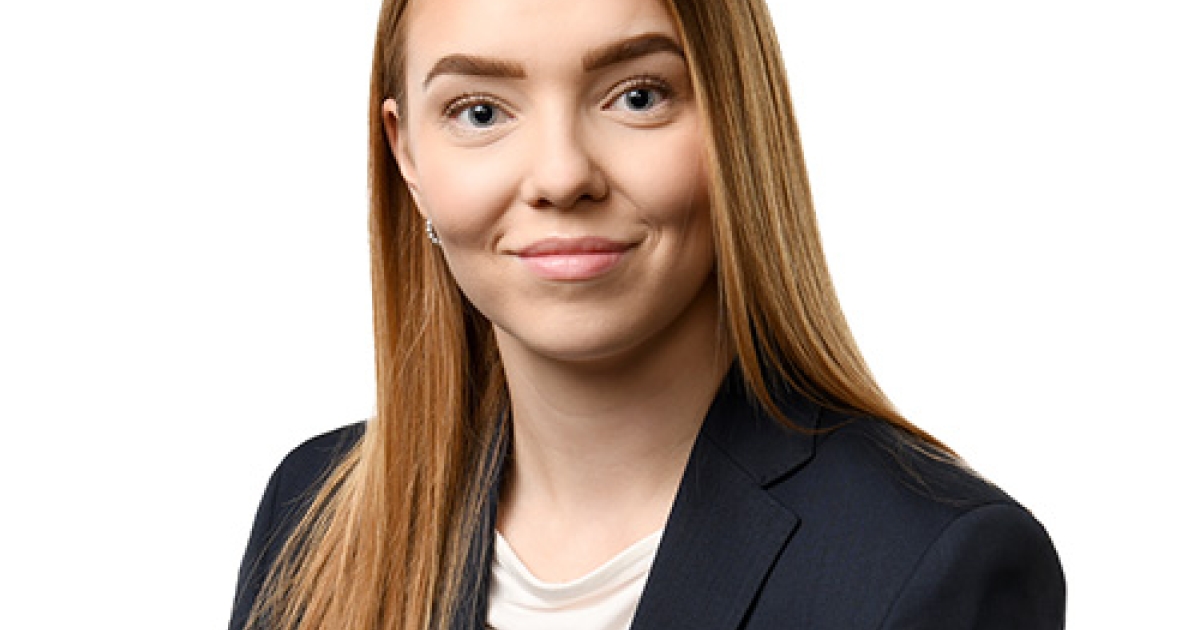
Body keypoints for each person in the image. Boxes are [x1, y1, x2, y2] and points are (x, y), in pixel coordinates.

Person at [229, 0, 1066, 628]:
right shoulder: (314, 514)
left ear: (736, 122)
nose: (562, 175)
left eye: (637, 96)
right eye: (480, 111)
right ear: (406, 152)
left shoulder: (928, 562)